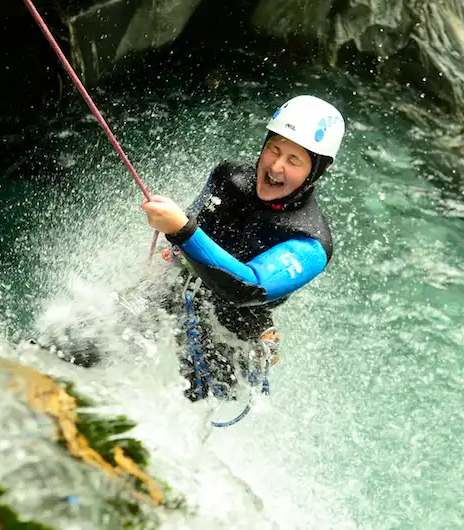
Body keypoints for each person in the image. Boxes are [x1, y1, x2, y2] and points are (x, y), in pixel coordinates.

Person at [142, 95, 346, 402]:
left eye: (293, 161)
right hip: (177, 286)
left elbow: (246, 287)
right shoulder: (229, 177)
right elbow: (196, 217)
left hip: (232, 331)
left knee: (192, 402)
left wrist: (182, 230)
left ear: (315, 172)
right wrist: (175, 243)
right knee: (93, 335)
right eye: (273, 149)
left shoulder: (311, 243)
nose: (276, 166)